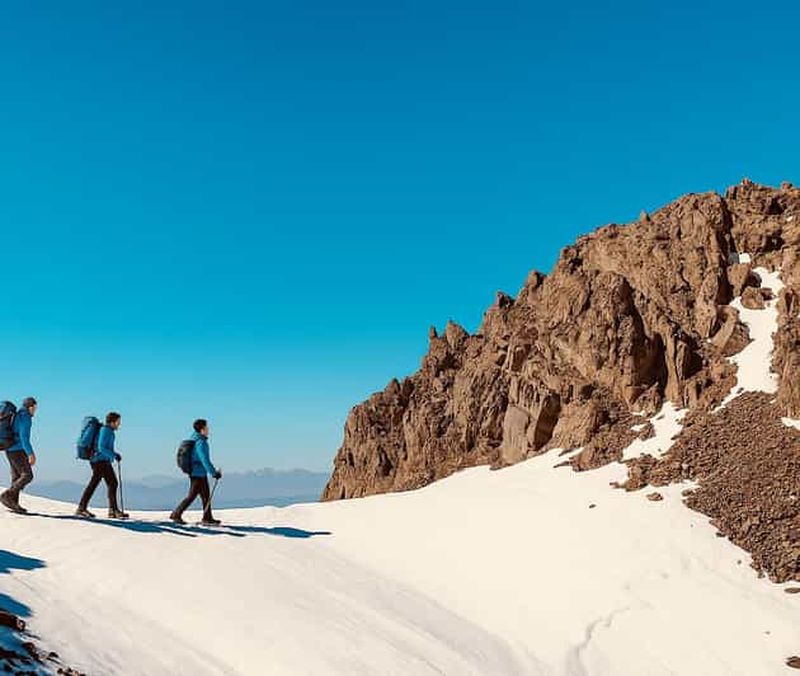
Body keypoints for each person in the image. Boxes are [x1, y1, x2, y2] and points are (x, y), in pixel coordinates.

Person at [76, 412, 128, 519]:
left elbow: (105, 447)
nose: (119, 424)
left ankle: (110, 510)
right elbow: (101, 447)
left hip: (101, 460)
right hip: (99, 461)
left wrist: (114, 455)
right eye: (118, 422)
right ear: (112, 422)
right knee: (111, 483)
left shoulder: (108, 431)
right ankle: (112, 510)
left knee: (108, 483)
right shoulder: (106, 430)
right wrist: (113, 455)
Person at [170, 418, 222, 525]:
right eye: (206, 427)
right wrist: (214, 473)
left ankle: (207, 517)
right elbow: (204, 460)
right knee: (192, 496)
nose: (208, 429)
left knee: (205, 496)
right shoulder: (201, 443)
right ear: (202, 429)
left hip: (198, 472)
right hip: (198, 473)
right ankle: (176, 514)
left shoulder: (195, 440)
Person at [0, 397, 38, 514]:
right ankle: (7, 495)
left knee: (16, 477)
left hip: (9, 448)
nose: (35, 411)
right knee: (28, 475)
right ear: (30, 407)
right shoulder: (25, 417)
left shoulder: (17, 415)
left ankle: (14, 504)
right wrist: (30, 454)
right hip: (17, 449)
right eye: (35, 408)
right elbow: (24, 438)